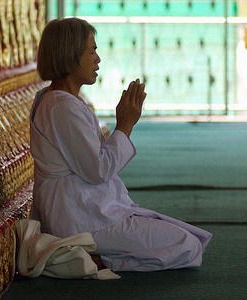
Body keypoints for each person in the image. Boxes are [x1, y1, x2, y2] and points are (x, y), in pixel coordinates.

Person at [30, 17, 212, 272]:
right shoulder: (61, 106)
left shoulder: (60, 101)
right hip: (80, 217)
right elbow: (98, 170)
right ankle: (101, 261)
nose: (98, 59)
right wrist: (125, 125)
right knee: (187, 246)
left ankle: (94, 256)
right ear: (70, 55)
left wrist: (124, 126)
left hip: (84, 209)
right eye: (92, 50)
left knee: (188, 238)